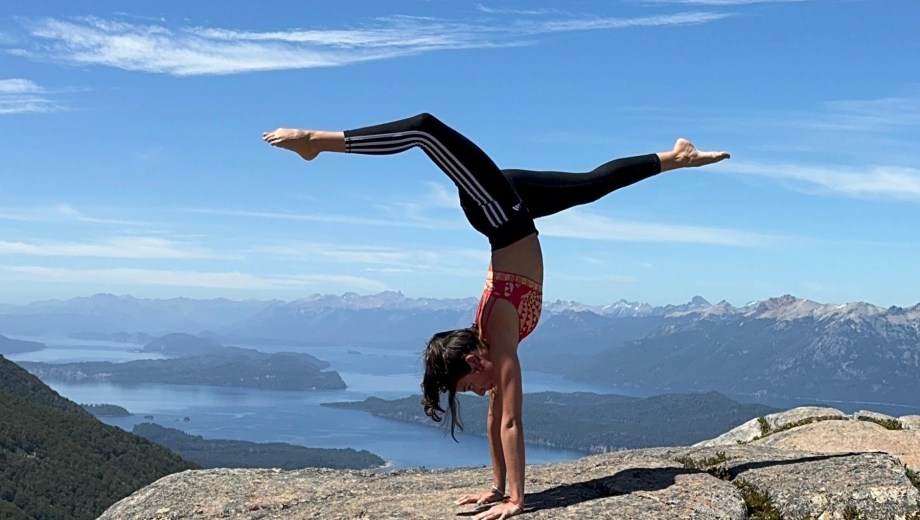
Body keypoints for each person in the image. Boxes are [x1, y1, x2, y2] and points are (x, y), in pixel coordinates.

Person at [263, 113, 729, 519]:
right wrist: (496, 487)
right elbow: (496, 418)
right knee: (591, 185)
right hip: (510, 206)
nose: (479, 392)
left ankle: (314, 141)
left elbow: (512, 422)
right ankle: (676, 157)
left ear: (473, 362)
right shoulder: (489, 342)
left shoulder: (499, 335)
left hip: (498, 214)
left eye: (469, 386)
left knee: (426, 128)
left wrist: (517, 500)